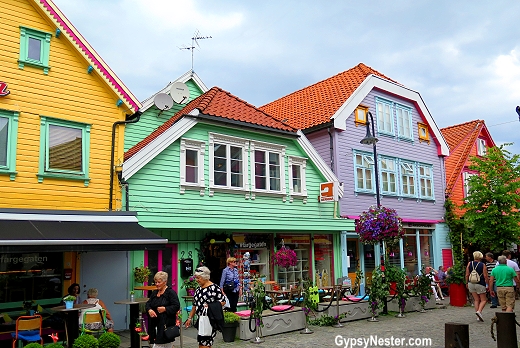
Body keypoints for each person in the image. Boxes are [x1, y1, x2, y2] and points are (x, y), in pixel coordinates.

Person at [185, 266, 225, 348]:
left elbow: (223, 301)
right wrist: (189, 318)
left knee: (204, 344)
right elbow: (195, 305)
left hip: (210, 319)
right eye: (196, 278)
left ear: (205, 277)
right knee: (204, 343)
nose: (197, 280)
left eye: (199, 278)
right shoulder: (198, 289)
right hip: (201, 320)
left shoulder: (214, 288)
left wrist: (211, 306)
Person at [146, 271, 180, 348]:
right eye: (155, 282)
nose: (157, 284)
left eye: (159, 282)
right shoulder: (155, 292)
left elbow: (176, 306)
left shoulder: (170, 293)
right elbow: (148, 303)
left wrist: (165, 309)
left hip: (165, 325)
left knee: (159, 345)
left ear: (165, 282)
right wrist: (150, 310)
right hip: (154, 325)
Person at [465, 251, 489, 322]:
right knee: (483, 300)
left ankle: (478, 316)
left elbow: (467, 274)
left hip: (471, 283)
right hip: (480, 283)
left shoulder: (469, 263)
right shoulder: (482, 265)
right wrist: (487, 283)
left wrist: (466, 282)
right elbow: (485, 275)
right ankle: (479, 311)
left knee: (476, 299)